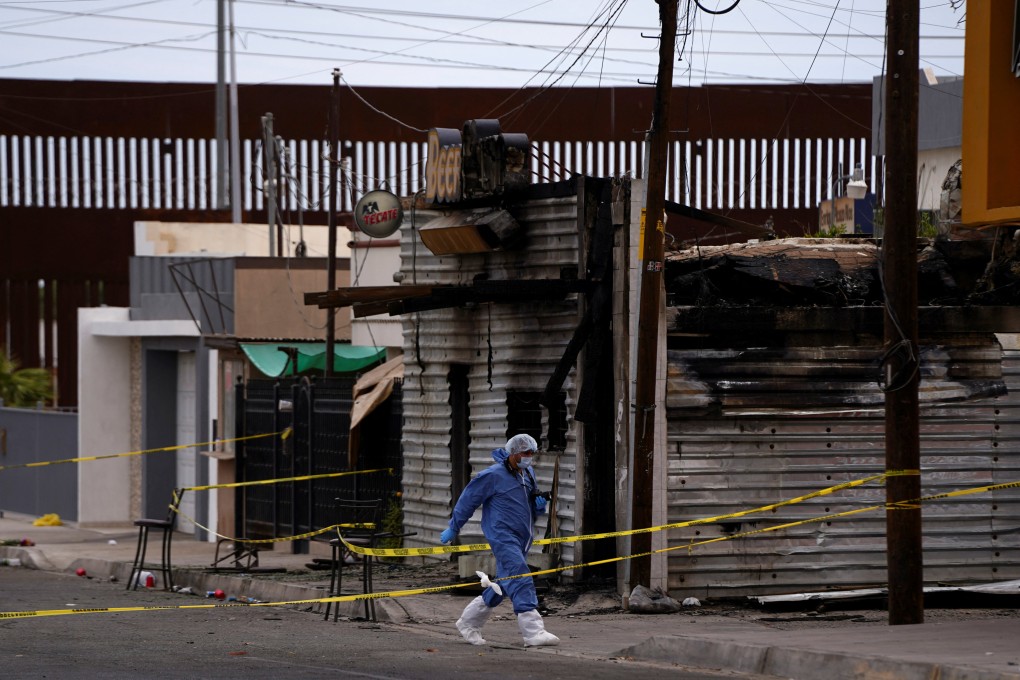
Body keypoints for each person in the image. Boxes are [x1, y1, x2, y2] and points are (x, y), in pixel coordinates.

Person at [440, 433, 560, 647]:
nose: (529, 457)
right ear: (513, 453)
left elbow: (530, 504)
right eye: (525, 453)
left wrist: (539, 505)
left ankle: (468, 623)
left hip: (523, 537)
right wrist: (453, 527)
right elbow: (468, 499)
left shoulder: (527, 473)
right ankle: (533, 631)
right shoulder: (492, 475)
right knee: (521, 575)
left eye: (532, 453)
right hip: (502, 536)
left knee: (503, 585)